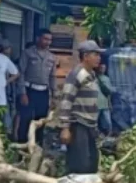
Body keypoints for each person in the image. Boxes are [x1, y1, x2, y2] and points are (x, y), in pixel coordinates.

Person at [58, 40, 102, 174]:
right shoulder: (76, 74)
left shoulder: (92, 75)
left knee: (92, 161)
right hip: (78, 124)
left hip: (90, 124)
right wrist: (65, 128)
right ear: (85, 56)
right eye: (96, 55)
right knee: (80, 163)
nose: (99, 58)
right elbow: (66, 100)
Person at [16, 29, 57, 144]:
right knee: (26, 119)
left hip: (43, 92)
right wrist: (22, 93)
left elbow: (52, 77)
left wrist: (54, 96)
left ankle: (37, 146)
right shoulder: (28, 53)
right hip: (29, 91)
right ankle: (22, 146)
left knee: (41, 120)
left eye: (50, 40)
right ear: (38, 38)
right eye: (45, 39)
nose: (48, 42)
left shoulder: (51, 57)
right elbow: (21, 73)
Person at [96, 63, 115, 136]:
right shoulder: (95, 78)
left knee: (108, 121)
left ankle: (109, 133)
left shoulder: (107, 79)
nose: (102, 69)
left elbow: (108, 92)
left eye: (104, 68)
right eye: (101, 68)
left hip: (105, 103)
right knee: (95, 121)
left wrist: (109, 103)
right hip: (96, 103)